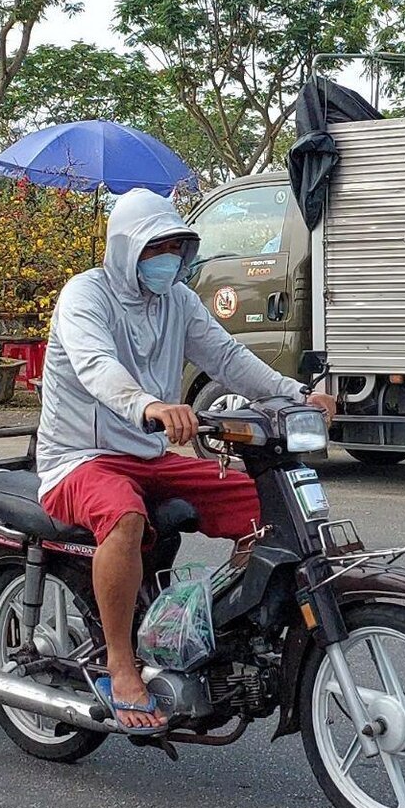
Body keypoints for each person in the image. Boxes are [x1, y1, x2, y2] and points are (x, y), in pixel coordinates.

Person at [36, 188, 336, 730]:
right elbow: (96, 365)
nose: (170, 258)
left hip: (148, 454)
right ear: (128, 249)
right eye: (159, 247)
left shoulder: (177, 299)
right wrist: (148, 404)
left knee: (265, 504)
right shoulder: (85, 296)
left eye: (179, 246)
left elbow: (226, 356)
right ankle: (121, 664)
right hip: (79, 459)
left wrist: (295, 394)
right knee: (125, 518)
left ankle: (203, 628)